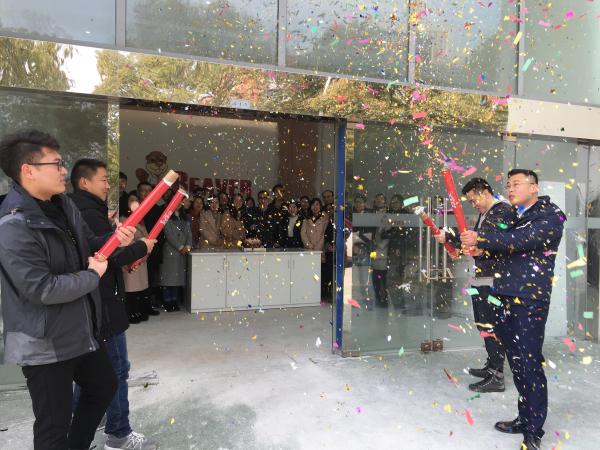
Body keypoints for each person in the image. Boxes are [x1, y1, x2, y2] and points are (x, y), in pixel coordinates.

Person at [0, 130, 136, 450]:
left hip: (79, 330)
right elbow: (42, 288)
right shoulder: (14, 225)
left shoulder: (63, 205)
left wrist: (116, 239)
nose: (64, 171)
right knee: (53, 426)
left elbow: (89, 245)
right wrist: (91, 276)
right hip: (44, 343)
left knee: (103, 386)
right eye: (57, 164)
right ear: (28, 170)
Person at [460, 169, 565, 450]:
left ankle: (533, 431)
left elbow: (521, 241)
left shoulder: (550, 216)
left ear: (534, 187)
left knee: (529, 363)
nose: (510, 189)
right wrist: (481, 251)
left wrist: (481, 240)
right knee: (517, 363)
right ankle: (524, 417)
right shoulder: (516, 216)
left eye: (516, 184)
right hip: (504, 296)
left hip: (529, 299)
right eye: (508, 185)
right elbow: (506, 250)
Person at [69, 159, 158, 450]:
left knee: (91, 374)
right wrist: (141, 247)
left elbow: (106, 253)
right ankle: (119, 434)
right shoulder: (87, 213)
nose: (109, 185)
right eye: (104, 180)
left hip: (96, 302)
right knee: (117, 370)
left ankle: (84, 419)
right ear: (84, 183)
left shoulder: (81, 210)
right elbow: (107, 254)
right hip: (104, 305)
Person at [434, 178, 514, 393]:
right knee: (483, 324)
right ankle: (492, 366)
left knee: (490, 325)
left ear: (485, 192)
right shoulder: (487, 213)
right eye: (469, 201)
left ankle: (497, 376)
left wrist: (453, 238)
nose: (473, 204)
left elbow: (487, 241)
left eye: (473, 199)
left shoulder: (501, 211)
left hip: (493, 280)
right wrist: (452, 240)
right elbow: (475, 241)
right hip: (482, 277)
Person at [121, 192, 154, 324]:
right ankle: (130, 312)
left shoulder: (141, 220)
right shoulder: (124, 219)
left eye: (136, 200)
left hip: (142, 257)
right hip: (131, 257)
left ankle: (140, 310)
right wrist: (141, 244)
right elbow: (125, 240)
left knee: (141, 287)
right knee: (131, 287)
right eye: (131, 200)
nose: (135, 203)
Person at [160, 201, 192, 312]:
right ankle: (167, 301)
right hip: (171, 250)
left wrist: (188, 246)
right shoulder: (166, 216)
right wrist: (180, 247)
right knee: (168, 278)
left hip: (182, 252)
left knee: (178, 278)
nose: (178, 204)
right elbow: (168, 234)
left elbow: (189, 233)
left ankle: (174, 301)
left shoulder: (184, 217)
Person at [301, 198, 330, 299]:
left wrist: (317, 248)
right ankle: (309, 295)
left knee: (320, 273)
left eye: (317, 204)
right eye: (313, 204)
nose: (315, 207)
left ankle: (320, 295)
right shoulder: (306, 218)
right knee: (309, 273)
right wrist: (309, 245)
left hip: (320, 249)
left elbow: (324, 234)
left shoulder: (325, 218)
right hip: (308, 249)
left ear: (320, 206)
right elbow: (303, 233)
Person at [370, 193, 391, 308]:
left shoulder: (388, 215)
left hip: (383, 250)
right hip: (373, 250)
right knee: (375, 276)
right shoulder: (371, 214)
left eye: (381, 199)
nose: (379, 201)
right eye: (377, 199)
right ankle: (378, 299)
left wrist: (379, 243)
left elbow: (389, 234)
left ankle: (384, 300)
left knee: (383, 277)